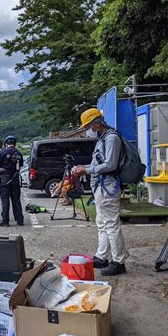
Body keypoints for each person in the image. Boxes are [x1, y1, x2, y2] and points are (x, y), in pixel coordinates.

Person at [73, 108, 127, 276]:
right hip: (101, 186)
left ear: (97, 123)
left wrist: (86, 171)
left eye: (89, 125)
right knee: (102, 222)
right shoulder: (102, 138)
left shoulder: (111, 138)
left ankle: (119, 262)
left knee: (111, 224)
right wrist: (84, 168)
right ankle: (102, 256)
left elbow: (110, 164)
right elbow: (98, 163)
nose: (88, 129)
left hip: (108, 186)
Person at [0, 135, 24, 227]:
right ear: (14, 143)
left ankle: (6, 221)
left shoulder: (3, 152)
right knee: (16, 199)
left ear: (6, 143)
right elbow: (20, 167)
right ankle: (20, 220)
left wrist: (3, 169)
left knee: (5, 200)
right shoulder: (19, 153)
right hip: (15, 178)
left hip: (5, 179)